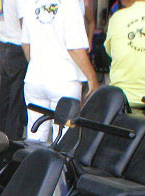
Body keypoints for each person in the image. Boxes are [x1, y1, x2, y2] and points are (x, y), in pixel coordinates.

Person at [21, 0, 99, 142]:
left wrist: (37, 64)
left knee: (35, 136)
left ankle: (35, 164)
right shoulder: (71, 4)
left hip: (34, 79)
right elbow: (74, 47)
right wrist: (92, 77)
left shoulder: (31, 4)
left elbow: (26, 44)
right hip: (65, 81)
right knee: (64, 138)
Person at [0, 0, 28, 140]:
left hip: (4, 49)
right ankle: (12, 142)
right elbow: (25, 24)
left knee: (4, 98)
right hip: (19, 49)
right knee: (16, 100)